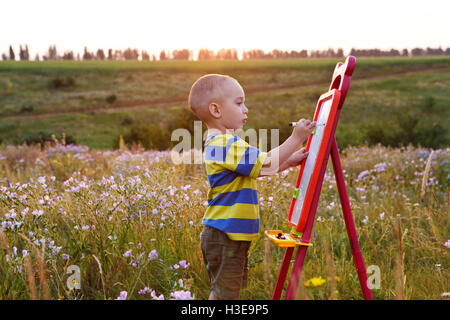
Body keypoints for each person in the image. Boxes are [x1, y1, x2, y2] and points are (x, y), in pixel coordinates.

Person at [188, 74, 316, 300]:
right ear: (216, 110)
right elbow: (265, 161)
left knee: (224, 294)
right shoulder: (223, 143)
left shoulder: (224, 142)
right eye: (238, 103)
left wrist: (288, 161)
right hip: (225, 234)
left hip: (228, 235)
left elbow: (259, 169)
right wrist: (296, 138)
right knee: (225, 297)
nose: (245, 109)